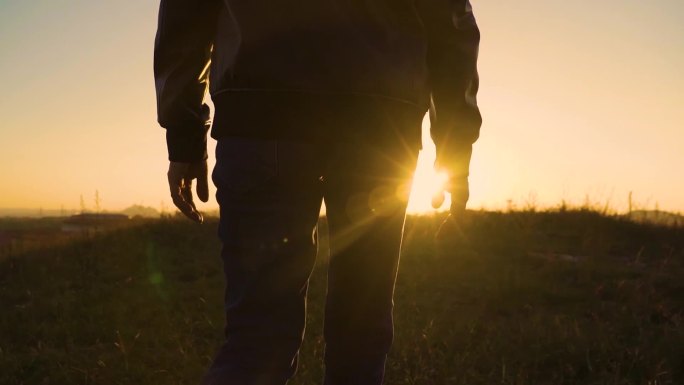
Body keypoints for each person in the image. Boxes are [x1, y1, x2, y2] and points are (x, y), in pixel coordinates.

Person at [154, 0, 481, 384]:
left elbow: (185, 12)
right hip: (379, 128)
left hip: (260, 117)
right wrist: (455, 148)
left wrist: (184, 133)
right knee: (360, 333)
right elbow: (450, 20)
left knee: (257, 340)